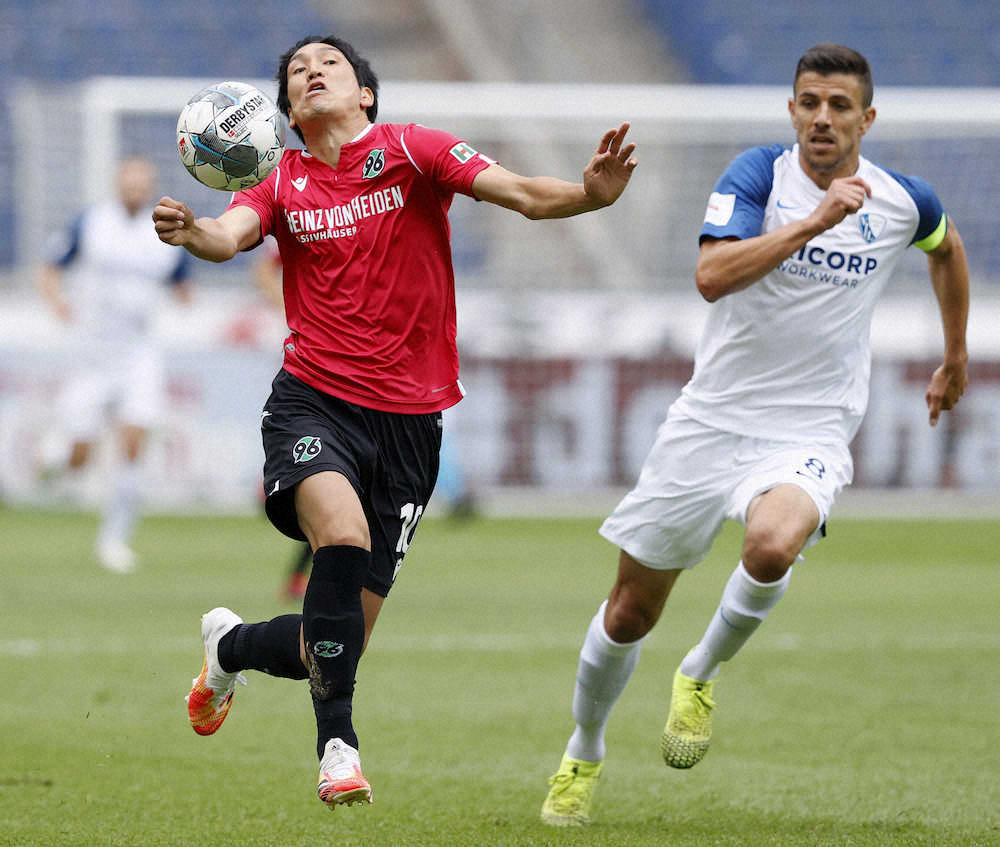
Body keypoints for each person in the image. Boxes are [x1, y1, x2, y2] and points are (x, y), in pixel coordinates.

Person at [153, 34, 637, 810]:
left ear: (366, 94)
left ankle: (229, 645)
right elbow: (227, 235)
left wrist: (590, 195)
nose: (313, 71)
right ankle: (338, 750)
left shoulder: (415, 151)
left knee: (328, 645)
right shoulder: (280, 181)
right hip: (313, 401)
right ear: (286, 113)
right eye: (297, 70)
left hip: (411, 425)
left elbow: (523, 193)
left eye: (330, 63)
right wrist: (192, 232)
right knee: (340, 536)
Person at [540, 43, 969, 826]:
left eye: (839, 106)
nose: (822, 118)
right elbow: (711, 277)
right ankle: (584, 748)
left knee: (772, 546)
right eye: (809, 102)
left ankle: (699, 673)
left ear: (867, 118)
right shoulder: (757, 177)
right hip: (711, 420)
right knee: (630, 612)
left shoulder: (904, 200)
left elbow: (947, 249)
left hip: (811, 426)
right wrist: (814, 223)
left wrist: (956, 354)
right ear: (792, 110)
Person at [37, 156, 191, 573]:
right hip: (92, 356)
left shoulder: (161, 232)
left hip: (139, 355)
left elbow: (183, 282)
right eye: (130, 181)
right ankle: (54, 459)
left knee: (135, 441)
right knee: (79, 457)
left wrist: (187, 300)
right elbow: (50, 266)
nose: (136, 189)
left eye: (143, 183)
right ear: (118, 182)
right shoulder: (92, 223)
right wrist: (56, 301)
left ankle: (114, 540)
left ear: (151, 187)